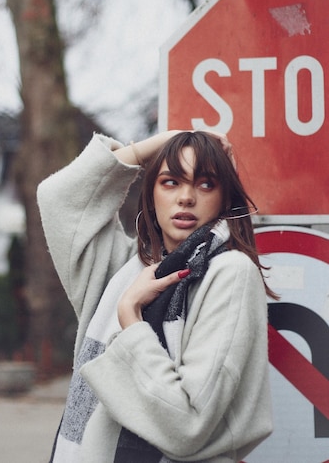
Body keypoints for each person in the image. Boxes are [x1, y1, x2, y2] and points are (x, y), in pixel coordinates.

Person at [37, 129, 274, 463]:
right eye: (170, 181)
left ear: (225, 199)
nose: (186, 197)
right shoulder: (126, 268)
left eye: (206, 184)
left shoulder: (229, 273)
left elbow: (187, 425)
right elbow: (59, 198)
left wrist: (131, 318)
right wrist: (168, 141)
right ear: (150, 195)